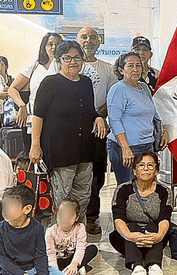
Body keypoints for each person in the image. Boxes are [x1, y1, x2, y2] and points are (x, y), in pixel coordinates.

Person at [30, 40, 107, 224]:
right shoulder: (50, 83)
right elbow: (38, 116)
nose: (73, 62)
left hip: (85, 151)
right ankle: (58, 239)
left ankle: (76, 235)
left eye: (77, 58)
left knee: (82, 196)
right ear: (59, 61)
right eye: (67, 58)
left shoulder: (86, 83)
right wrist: (35, 145)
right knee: (62, 198)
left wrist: (97, 117)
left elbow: (89, 110)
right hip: (60, 151)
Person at [0, 185, 67, 275]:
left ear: (27, 209)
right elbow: (2, 261)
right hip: (7, 274)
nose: (6, 211)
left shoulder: (37, 228)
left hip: (32, 269)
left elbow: (41, 255)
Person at [76, 27, 118, 236]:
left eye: (93, 37)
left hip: (97, 129)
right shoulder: (67, 66)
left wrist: (95, 116)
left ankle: (92, 217)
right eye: (84, 36)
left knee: (95, 175)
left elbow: (111, 100)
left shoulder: (108, 69)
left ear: (99, 42)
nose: (88, 40)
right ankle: (72, 218)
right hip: (72, 129)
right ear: (77, 40)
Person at [110, 152, 171, 275]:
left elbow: (164, 218)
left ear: (156, 170)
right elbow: (118, 218)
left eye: (150, 165)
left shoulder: (164, 191)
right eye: (141, 165)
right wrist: (130, 235)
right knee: (131, 226)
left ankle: (155, 269)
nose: (146, 168)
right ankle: (137, 270)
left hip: (154, 236)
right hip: (127, 237)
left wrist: (159, 235)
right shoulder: (123, 189)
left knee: (153, 226)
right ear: (134, 170)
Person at [107, 52, 167, 186]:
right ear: (121, 70)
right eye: (130, 66)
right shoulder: (118, 89)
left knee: (149, 187)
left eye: (138, 65)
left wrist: (164, 131)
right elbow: (114, 120)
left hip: (147, 145)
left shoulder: (144, 87)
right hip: (126, 147)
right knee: (128, 189)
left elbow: (154, 113)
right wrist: (125, 148)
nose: (135, 69)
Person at [9, 33, 62, 152]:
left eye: (57, 45)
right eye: (50, 44)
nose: (53, 47)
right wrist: (22, 105)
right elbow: (12, 89)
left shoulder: (63, 66)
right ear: (44, 46)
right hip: (33, 118)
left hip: (55, 119)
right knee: (33, 154)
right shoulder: (35, 66)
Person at [45, 198, 98, 275]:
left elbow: (81, 248)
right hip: (57, 260)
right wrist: (55, 271)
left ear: (76, 217)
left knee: (92, 249)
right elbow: (50, 253)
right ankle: (73, 272)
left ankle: (73, 269)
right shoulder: (50, 231)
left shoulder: (80, 228)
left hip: (72, 258)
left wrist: (74, 264)